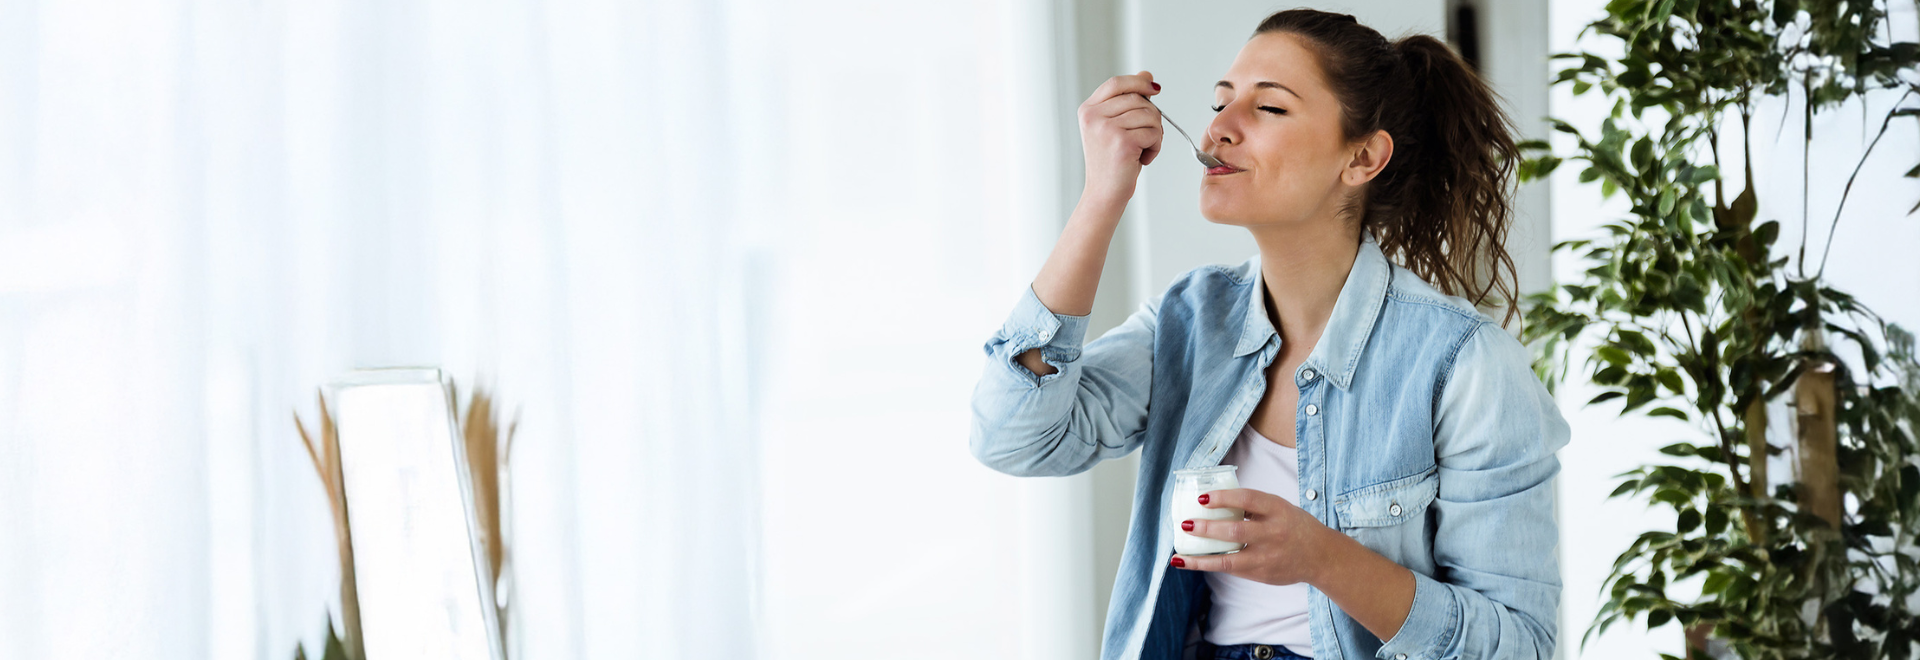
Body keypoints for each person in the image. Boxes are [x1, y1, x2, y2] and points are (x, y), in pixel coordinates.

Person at [969, 8, 1571, 660]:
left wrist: (1323, 558)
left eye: (1269, 109)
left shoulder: (1464, 363)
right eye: (1220, 103)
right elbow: (1014, 439)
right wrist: (1101, 197)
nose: (1219, 128)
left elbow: (1520, 646)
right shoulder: (1189, 320)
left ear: (1362, 156)